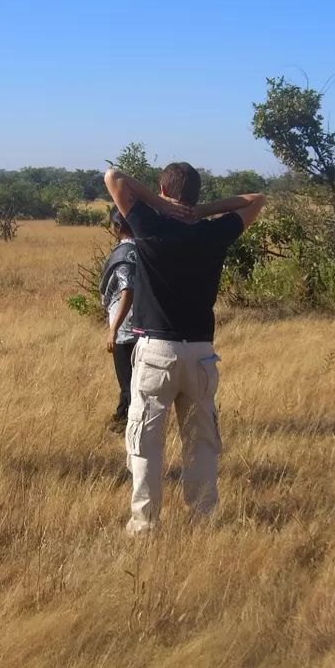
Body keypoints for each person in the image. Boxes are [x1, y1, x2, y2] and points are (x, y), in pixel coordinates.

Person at [105, 162, 266, 535]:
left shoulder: (150, 224)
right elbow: (256, 200)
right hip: (201, 353)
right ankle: (202, 523)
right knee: (201, 444)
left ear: (163, 191)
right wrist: (201, 211)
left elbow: (114, 177)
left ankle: (144, 525)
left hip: (156, 351)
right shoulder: (214, 234)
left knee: (146, 443)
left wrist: (162, 206)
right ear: (196, 194)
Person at [99, 207, 138, 435]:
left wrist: (113, 330)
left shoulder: (125, 254)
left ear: (117, 227)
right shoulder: (144, 249)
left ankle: (124, 423)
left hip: (126, 329)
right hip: (144, 324)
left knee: (128, 381)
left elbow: (127, 290)